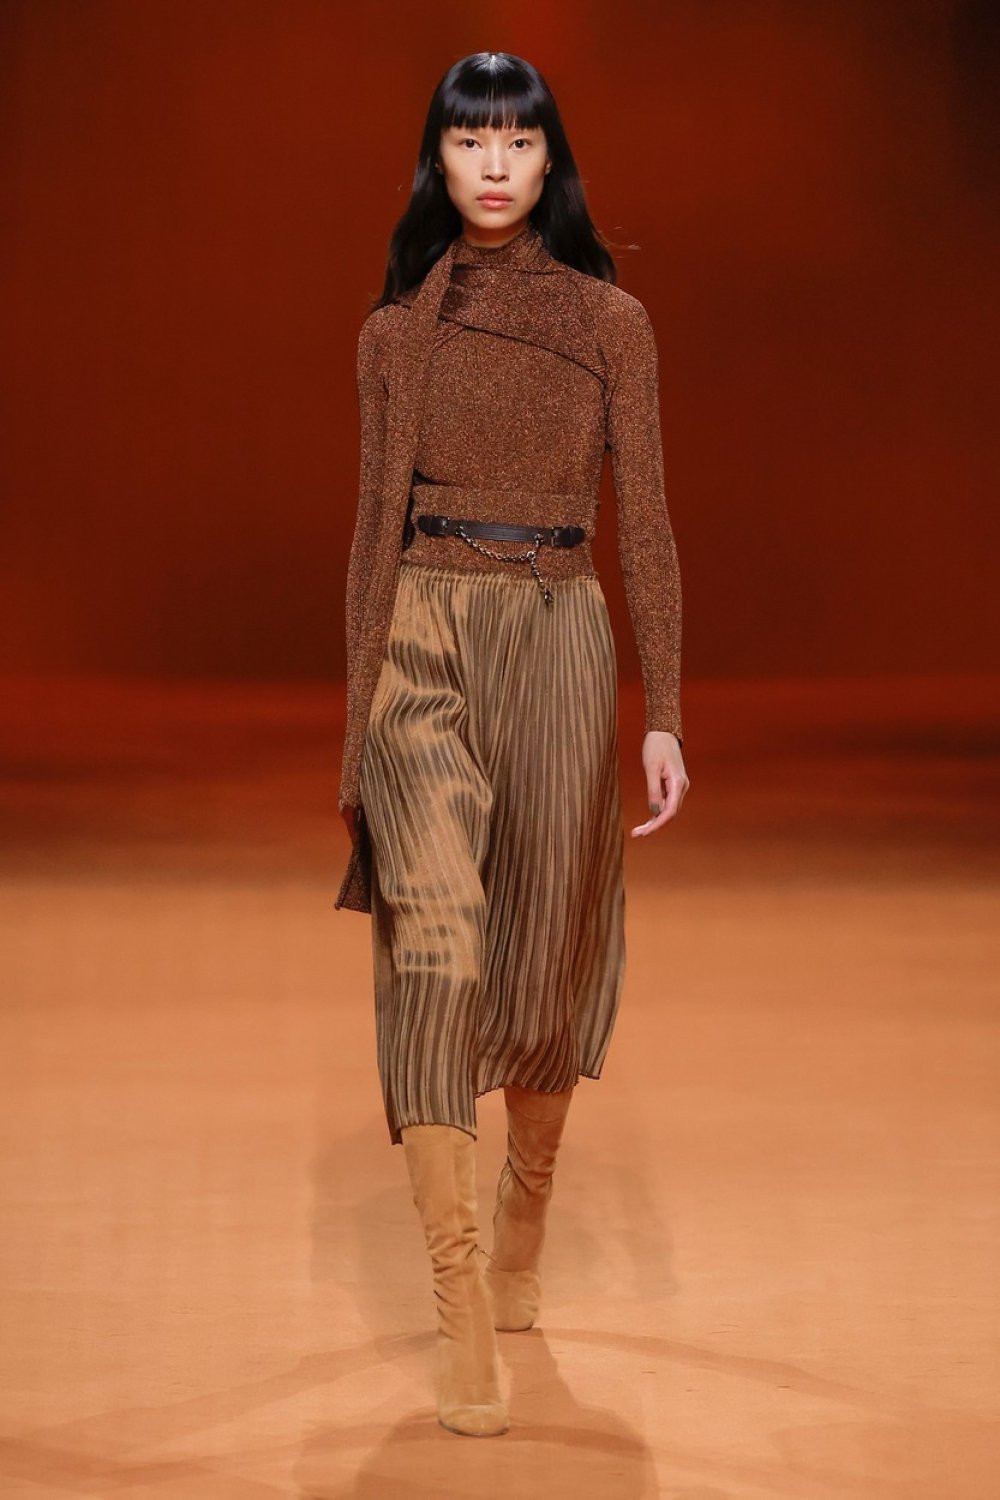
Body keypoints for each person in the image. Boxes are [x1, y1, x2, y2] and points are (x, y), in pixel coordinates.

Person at [335, 51, 689, 1437]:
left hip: (557, 636)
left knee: (547, 945)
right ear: (438, 159)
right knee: (433, 948)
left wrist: (664, 711)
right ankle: (460, 1301)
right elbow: (370, 534)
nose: (493, 165)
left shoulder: (612, 323)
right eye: (469, 140)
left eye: (518, 141)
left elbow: (644, 516)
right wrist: (358, 722)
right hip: (422, 635)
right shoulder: (394, 334)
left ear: (551, 161)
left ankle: (526, 1200)